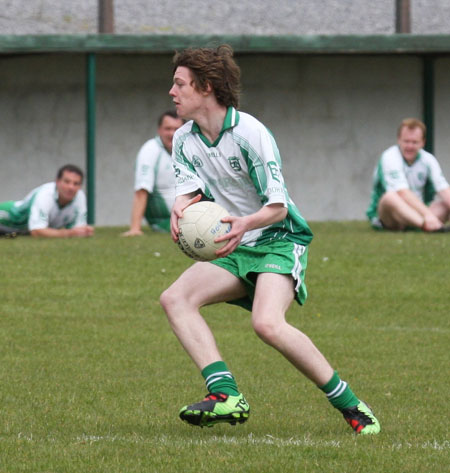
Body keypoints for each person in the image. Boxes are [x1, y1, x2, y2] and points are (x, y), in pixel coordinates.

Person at [159, 45, 380, 435]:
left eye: (180, 84)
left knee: (267, 324)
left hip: (278, 237)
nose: (172, 92)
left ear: (206, 87)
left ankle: (352, 406)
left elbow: (277, 206)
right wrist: (180, 208)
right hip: (235, 241)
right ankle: (225, 394)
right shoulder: (184, 139)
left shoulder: (250, 133)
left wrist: (244, 224)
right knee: (175, 298)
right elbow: (188, 190)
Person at [367, 118, 450, 232]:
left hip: (419, 213)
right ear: (399, 140)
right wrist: (428, 216)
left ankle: (426, 225)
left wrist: (427, 214)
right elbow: (402, 192)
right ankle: (427, 226)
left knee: (446, 204)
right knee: (389, 197)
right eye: (406, 141)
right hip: (390, 218)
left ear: (423, 142)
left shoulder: (428, 159)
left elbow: (444, 190)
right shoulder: (390, 156)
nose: (410, 146)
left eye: (414, 142)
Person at [121, 110, 184, 236]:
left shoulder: (189, 147)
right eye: (168, 128)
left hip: (191, 214)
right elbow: (141, 190)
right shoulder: (150, 150)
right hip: (165, 221)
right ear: (159, 130)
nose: (172, 133)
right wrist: (135, 228)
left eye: (176, 129)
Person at [0, 164, 94, 238]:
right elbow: (36, 231)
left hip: (19, 230)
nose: (71, 187)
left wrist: (83, 231)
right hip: (8, 215)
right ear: (57, 182)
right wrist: (69, 233)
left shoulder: (80, 196)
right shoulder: (45, 194)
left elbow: (79, 230)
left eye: (76, 183)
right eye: (67, 182)